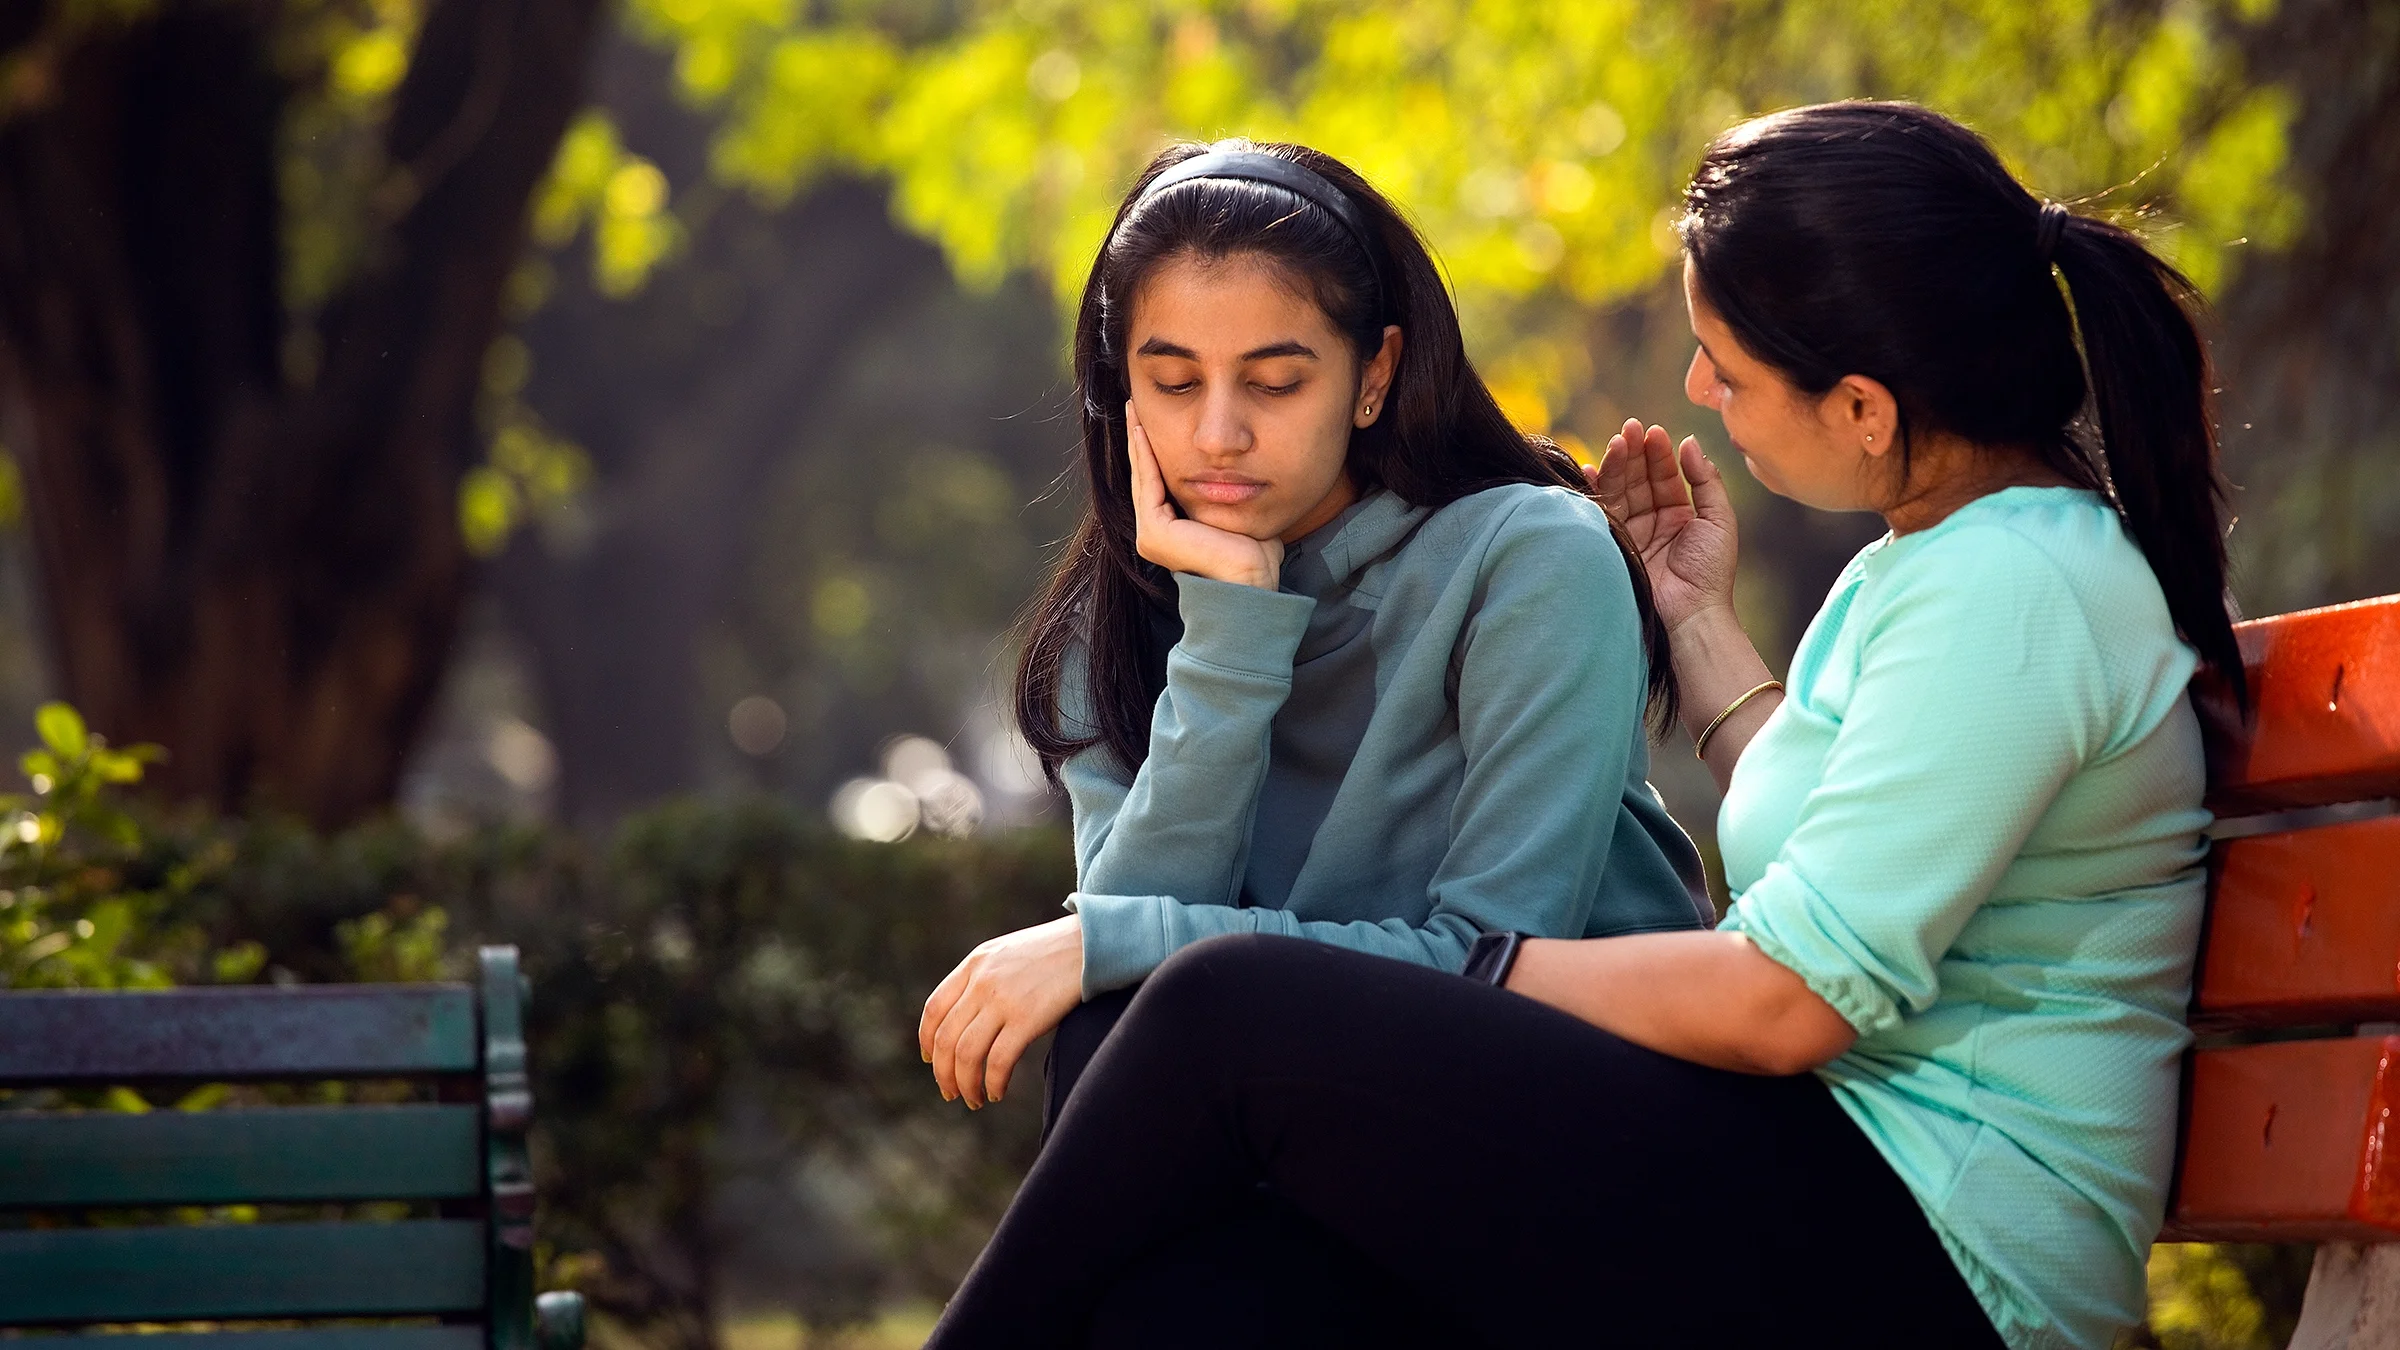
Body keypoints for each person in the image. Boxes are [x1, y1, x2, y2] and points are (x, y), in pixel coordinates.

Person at [922, 101, 2244, 1350]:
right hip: (1827, 1182)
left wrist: (1472, 964)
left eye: (1725, 363)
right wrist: (1694, 617)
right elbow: (1845, 824)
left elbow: (1788, 999)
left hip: (1941, 1256)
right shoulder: (1944, 568)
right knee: (1188, 1307)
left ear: (1863, 407)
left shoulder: (2014, 590)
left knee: (1211, 998)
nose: (1696, 386)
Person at [915, 138, 1710, 1131]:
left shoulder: (1531, 557)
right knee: (1108, 1022)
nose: (1218, 434)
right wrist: (1233, 627)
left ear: (1373, 375)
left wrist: (1133, 946)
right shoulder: (1114, 627)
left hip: (1580, 1111)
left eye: (1275, 382)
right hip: (1314, 1128)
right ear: (1120, 388)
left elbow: (1501, 962)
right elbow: (1127, 972)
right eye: (1172, 382)